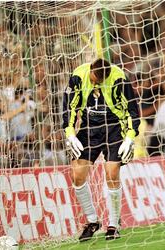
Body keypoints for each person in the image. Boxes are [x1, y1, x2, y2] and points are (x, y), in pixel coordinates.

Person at [63, 58, 140, 241]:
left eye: (100, 82)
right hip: (90, 128)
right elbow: (70, 107)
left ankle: (114, 224)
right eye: (94, 79)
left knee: (111, 172)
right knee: (77, 174)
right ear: (90, 70)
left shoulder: (119, 79)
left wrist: (129, 138)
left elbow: (133, 110)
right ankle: (92, 221)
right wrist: (70, 134)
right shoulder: (78, 77)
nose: (96, 84)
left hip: (114, 127)